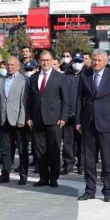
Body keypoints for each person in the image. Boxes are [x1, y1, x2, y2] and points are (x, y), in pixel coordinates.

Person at [75, 49, 110, 202]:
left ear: (106, 61)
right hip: (88, 123)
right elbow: (79, 100)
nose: (96, 63)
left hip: (107, 124)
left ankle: (107, 190)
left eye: (99, 60)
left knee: (107, 158)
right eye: (94, 60)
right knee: (89, 159)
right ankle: (90, 189)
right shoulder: (85, 75)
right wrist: (78, 121)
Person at [26, 50, 69, 187]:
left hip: (54, 120)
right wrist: (28, 117)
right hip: (37, 120)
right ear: (39, 61)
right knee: (39, 151)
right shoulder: (33, 78)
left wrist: (63, 117)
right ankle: (43, 177)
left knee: (54, 150)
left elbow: (65, 100)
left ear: (52, 61)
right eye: (42, 60)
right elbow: (29, 100)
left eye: (47, 60)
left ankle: (53, 178)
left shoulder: (60, 77)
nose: (45, 62)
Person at [0, 56, 29, 184]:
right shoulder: (0, 81)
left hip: (18, 120)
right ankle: (5, 173)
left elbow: (24, 102)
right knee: (5, 148)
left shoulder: (23, 80)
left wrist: (22, 118)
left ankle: (23, 175)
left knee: (22, 149)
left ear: (18, 66)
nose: (9, 66)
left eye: (12, 64)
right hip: (4, 119)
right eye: (8, 64)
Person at [61, 53, 84, 175]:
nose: (77, 64)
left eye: (80, 61)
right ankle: (68, 164)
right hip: (68, 114)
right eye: (75, 61)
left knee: (82, 143)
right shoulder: (65, 76)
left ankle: (82, 165)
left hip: (81, 116)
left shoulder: (86, 76)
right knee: (68, 142)